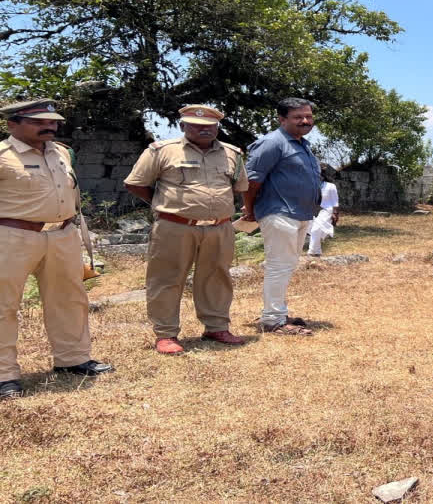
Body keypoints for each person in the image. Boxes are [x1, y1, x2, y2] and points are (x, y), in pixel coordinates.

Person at [0, 99, 114, 399]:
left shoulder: (62, 152)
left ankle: (73, 359)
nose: (48, 126)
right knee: (3, 305)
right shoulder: (2, 155)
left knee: (69, 299)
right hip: (12, 236)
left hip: (62, 234)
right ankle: (4, 375)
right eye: (38, 122)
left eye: (52, 121)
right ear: (13, 124)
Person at [124, 104, 250, 354]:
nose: (204, 130)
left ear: (217, 127)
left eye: (210, 126)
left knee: (217, 277)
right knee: (167, 278)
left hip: (219, 228)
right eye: (196, 125)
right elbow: (136, 184)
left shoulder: (232, 154)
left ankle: (216, 327)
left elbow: (239, 186)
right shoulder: (161, 151)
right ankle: (166, 334)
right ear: (182, 126)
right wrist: (167, 205)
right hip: (175, 227)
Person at [242, 98, 322, 336]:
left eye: (308, 116)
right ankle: (273, 320)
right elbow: (252, 181)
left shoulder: (301, 144)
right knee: (278, 266)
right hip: (279, 213)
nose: (305, 121)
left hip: (299, 214)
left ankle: (277, 313)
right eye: (298, 117)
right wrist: (249, 209)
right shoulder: (272, 143)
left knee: (286, 265)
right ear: (282, 119)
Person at [306, 166, 340, 257]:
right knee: (312, 231)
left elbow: (335, 201)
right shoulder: (311, 186)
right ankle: (317, 252)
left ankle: (312, 252)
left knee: (316, 229)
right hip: (312, 211)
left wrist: (335, 214)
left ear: (322, 175)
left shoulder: (330, 186)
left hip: (326, 212)